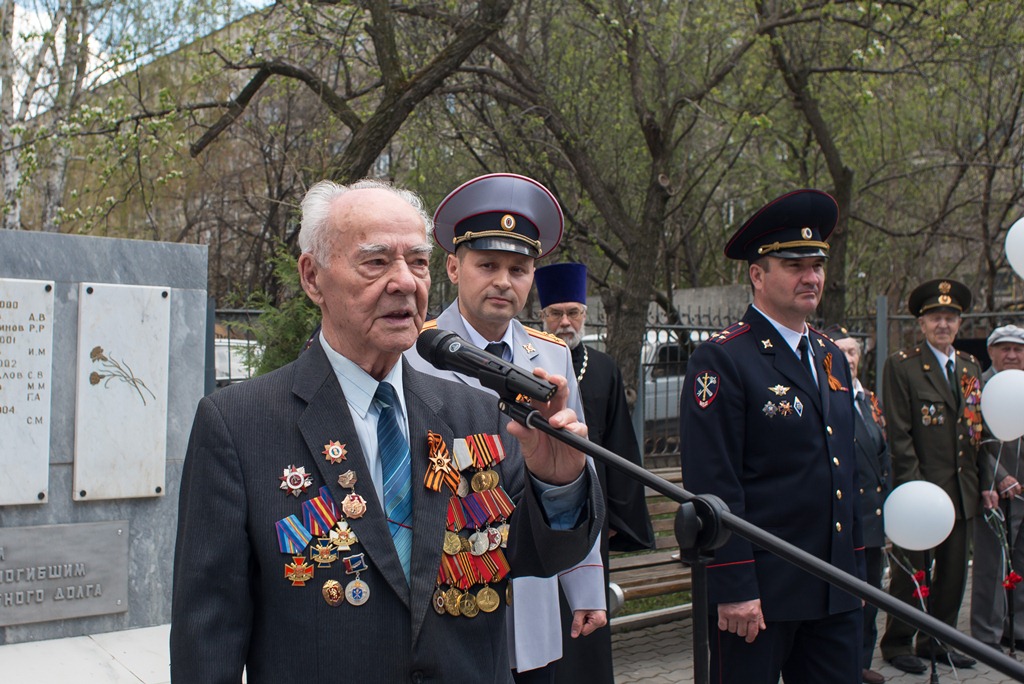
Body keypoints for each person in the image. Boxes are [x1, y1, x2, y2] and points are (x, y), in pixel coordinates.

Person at [169, 178, 603, 683]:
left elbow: (540, 555)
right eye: (376, 262)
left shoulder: (479, 414)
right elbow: (207, 636)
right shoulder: (239, 426)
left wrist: (558, 485)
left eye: (417, 262)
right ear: (313, 278)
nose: (404, 282)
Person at [404, 173, 608, 680]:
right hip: (448, 580)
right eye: (488, 265)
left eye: (518, 269)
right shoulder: (413, 352)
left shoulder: (552, 356)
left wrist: (585, 587)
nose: (503, 281)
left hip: (532, 579)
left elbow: (575, 468)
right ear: (453, 267)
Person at [678, 189, 864, 683]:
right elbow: (713, 481)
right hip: (761, 595)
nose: (811, 277)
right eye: (795, 264)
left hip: (834, 586)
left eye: (817, 265)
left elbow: (846, 465)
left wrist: (857, 571)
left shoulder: (829, 354)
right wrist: (733, 583)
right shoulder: (723, 359)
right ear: (758, 276)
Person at [533, 261, 656, 684]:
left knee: (586, 620)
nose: (565, 322)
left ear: (585, 315)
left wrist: (617, 520)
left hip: (592, 515)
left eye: (573, 313)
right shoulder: (530, 362)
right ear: (542, 315)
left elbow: (621, 446)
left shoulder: (603, 367)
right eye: (556, 313)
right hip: (540, 508)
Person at [878, 278, 994, 674]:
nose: (942, 325)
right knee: (912, 571)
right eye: (935, 318)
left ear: (959, 324)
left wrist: (984, 484)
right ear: (921, 324)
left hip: (961, 490)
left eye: (949, 318)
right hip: (922, 492)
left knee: (952, 573)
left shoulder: (969, 366)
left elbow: (975, 429)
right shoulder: (903, 366)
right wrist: (914, 489)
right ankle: (896, 643)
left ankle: (937, 641)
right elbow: (900, 433)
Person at [827, 325, 891, 684]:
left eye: (853, 352)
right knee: (852, 604)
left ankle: (862, 665)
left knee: (871, 602)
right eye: (841, 351)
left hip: (873, 520)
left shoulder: (868, 400)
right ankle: (847, 670)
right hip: (847, 522)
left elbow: (884, 458)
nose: (848, 358)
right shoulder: (830, 399)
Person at [971, 324, 1024, 652]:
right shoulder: (979, 386)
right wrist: (999, 475)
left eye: (1018, 349)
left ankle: (1016, 629)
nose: (1012, 355)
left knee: (1021, 563)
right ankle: (986, 637)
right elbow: (975, 439)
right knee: (992, 565)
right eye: (1004, 348)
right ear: (990, 352)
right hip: (994, 489)